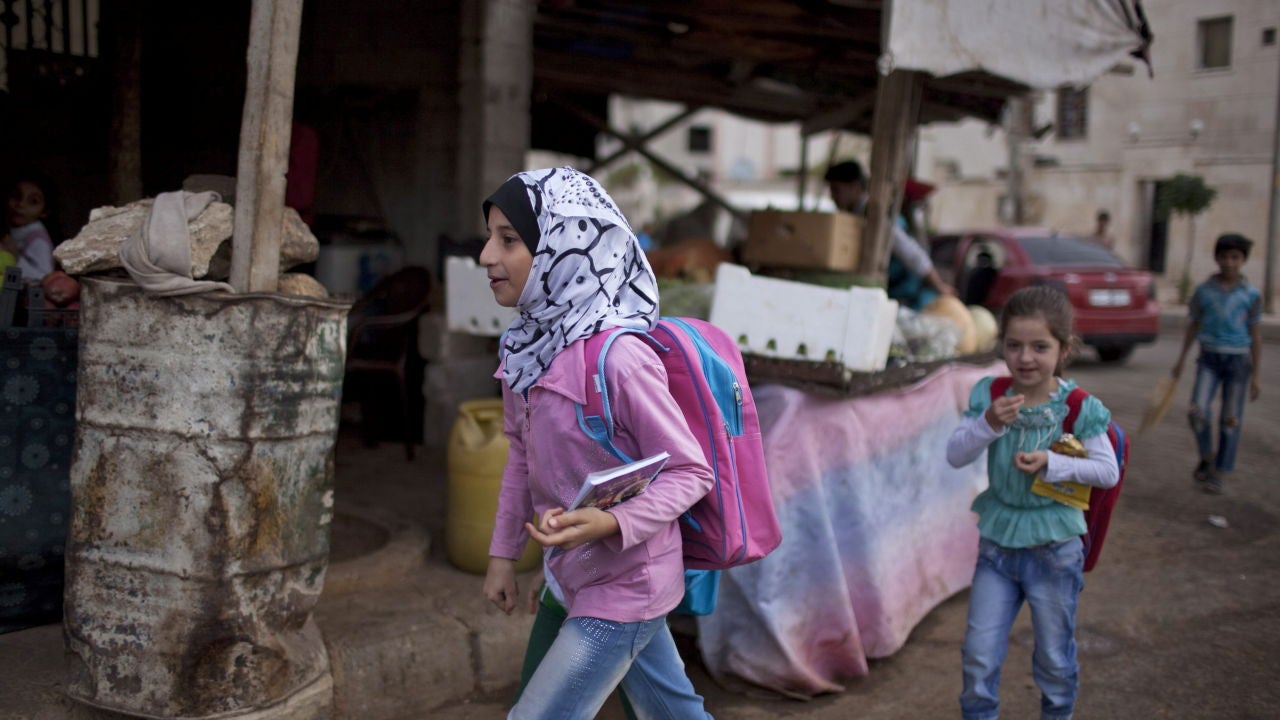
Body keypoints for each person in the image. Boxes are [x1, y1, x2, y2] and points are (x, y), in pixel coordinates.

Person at [479, 166, 715, 720]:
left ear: (562, 250)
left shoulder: (620, 359)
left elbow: (691, 472)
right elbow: (521, 455)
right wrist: (502, 556)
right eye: (489, 237)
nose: (486, 256)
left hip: (629, 583)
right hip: (570, 576)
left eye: (509, 240)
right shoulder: (524, 350)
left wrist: (611, 523)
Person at [946, 285, 1119, 720]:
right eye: (1014, 345)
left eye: (1040, 347)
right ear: (1001, 345)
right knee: (978, 654)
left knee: (1055, 660)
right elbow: (955, 454)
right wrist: (987, 423)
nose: (1025, 358)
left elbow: (1107, 470)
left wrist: (1052, 463)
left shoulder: (1079, 407)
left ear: (1064, 349)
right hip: (997, 547)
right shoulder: (991, 395)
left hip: (1055, 549)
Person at [1170, 232, 1262, 495]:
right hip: (1209, 358)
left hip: (1238, 361)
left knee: (1230, 419)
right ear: (1216, 258)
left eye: (1235, 257)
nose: (1229, 262)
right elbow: (1193, 325)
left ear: (1243, 260)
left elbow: (1255, 335)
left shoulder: (1251, 294)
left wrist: (1256, 375)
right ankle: (1207, 455)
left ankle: (1219, 471)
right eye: (1224, 257)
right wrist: (1180, 360)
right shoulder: (1204, 292)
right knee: (1197, 411)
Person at [824, 160, 955, 306]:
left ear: (854, 187)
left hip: (903, 294)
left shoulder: (873, 214)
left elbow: (911, 252)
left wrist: (939, 286)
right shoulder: (852, 215)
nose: (832, 197)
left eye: (836, 190)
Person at [2, 171, 56, 281]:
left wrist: (16, 257)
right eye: (16, 196)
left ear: (44, 212)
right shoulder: (11, 228)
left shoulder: (38, 240)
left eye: (33, 201)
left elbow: (45, 278)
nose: (21, 204)